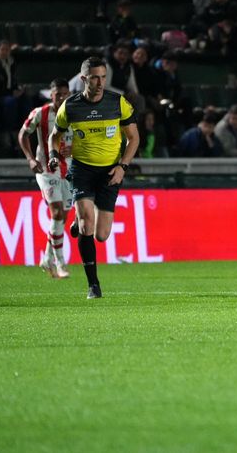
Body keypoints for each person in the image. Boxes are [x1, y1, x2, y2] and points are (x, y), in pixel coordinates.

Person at [48, 56, 139, 299]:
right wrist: (54, 154)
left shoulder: (118, 103)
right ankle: (93, 285)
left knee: (101, 235)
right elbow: (54, 136)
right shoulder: (71, 106)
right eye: (95, 78)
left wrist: (123, 167)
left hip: (110, 171)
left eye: (103, 77)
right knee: (88, 225)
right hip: (82, 170)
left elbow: (134, 138)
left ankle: (79, 222)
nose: (100, 82)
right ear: (83, 79)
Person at [18, 78, 73, 279]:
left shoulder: (74, 114)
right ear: (51, 95)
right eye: (57, 94)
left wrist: (74, 149)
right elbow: (23, 134)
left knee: (63, 218)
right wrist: (30, 159)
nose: (61, 97)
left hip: (69, 171)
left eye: (64, 94)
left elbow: (85, 140)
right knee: (57, 213)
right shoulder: (39, 114)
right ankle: (60, 263)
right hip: (46, 170)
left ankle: (47, 258)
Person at [0, 39, 31, 151]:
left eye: (7, 50)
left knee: (26, 101)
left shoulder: (11, 62)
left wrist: (18, 89)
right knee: (10, 102)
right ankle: (7, 132)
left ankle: (23, 133)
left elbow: (12, 81)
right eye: (3, 49)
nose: (5, 52)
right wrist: (12, 93)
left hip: (9, 93)